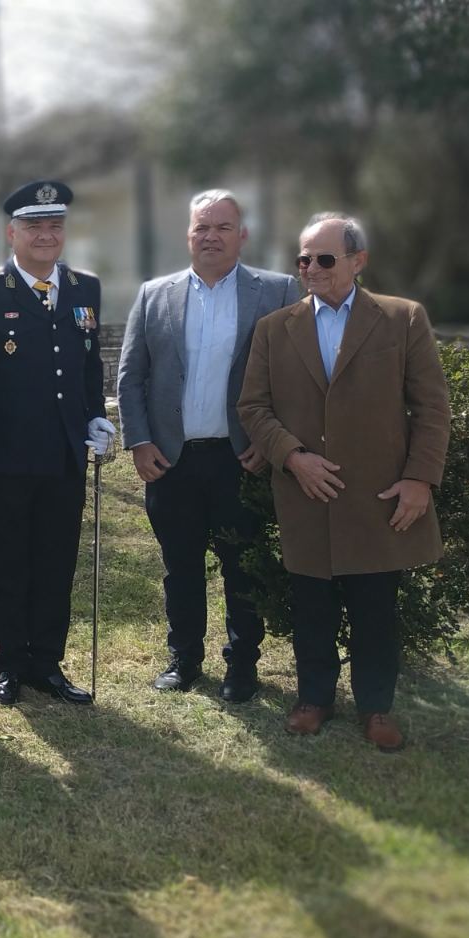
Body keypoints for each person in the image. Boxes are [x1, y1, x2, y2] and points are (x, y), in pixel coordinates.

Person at [238, 213, 450, 752]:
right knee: (311, 607)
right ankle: (314, 699)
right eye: (303, 259)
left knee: (375, 610)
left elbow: (431, 408)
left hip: (378, 497)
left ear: (358, 261)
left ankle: (376, 707)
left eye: (325, 258)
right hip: (305, 494)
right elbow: (254, 407)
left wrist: (419, 479)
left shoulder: (402, 319)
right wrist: (292, 457)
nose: (311, 268)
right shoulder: (274, 329)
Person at [118, 189, 298, 702]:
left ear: (242, 236)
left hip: (241, 458)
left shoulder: (277, 291)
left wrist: (271, 442)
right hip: (171, 460)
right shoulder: (155, 295)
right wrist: (140, 441)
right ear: (188, 235)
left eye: (223, 227)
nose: (211, 236)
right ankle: (184, 659)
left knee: (243, 567)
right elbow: (131, 376)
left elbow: (293, 378)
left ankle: (242, 664)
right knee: (181, 566)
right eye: (202, 227)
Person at [0, 180, 112, 707]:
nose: (46, 235)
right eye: (34, 227)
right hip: (3, 455)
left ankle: (46, 661)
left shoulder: (84, 287)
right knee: (4, 560)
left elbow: (88, 365)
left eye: (55, 226)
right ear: (11, 233)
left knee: (55, 560)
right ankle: (10, 662)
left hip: (64, 455)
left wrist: (95, 416)